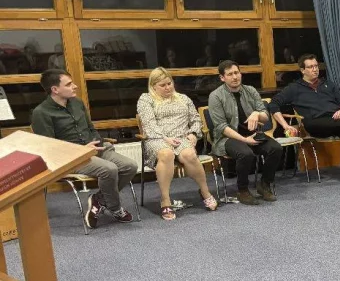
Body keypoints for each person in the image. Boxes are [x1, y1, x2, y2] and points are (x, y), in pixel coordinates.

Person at [31, 68, 137, 229]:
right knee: (109, 169)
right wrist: (81, 150)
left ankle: (99, 200)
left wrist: (96, 143)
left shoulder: (77, 103)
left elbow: (91, 128)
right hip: (69, 158)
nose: (75, 86)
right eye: (69, 84)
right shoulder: (41, 113)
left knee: (130, 166)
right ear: (55, 89)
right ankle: (115, 208)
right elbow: (49, 148)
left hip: (93, 149)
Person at [269, 54, 340, 188]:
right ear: (303, 70)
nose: (315, 69)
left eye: (316, 66)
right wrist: (285, 125)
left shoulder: (328, 84)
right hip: (316, 125)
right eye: (311, 67)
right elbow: (273, 104)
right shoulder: (294, 88)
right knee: (310, 122)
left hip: (337, 120)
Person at [137, 67, 218, 221]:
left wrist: (193, 133)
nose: (167, 87)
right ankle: (165, 199)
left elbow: (196, 119)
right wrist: (165, 138)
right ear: (153, 86)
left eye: (169, 83)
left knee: (189, 154)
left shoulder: (183, 98)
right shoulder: (146, 99)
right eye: (162, 85)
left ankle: (205, 191)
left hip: (181, 138)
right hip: (157, 139)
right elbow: (149, 124)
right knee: (166, 154)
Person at [208, 59, 283, 205]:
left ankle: (264, 184)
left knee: (276, 148)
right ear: (222, 78)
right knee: (246, 153)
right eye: (230, 74)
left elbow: (265, 116)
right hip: (228, 138)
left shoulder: (250, 90)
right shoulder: (215, 96)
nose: (235, 77)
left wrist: (257, 114)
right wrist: (244, 140)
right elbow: (221, 127)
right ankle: (242, 190)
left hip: (253, 134)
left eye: (237, 73)